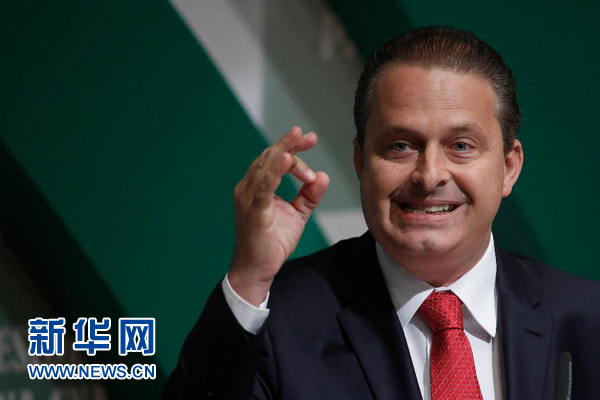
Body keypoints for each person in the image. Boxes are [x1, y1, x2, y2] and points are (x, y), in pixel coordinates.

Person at [162, 26, 600, 400]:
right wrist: (249, 279)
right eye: (400, 146)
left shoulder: (587, 319)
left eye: (461, 146)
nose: (429, 175)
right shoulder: (280, 318)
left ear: (508, 167)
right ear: (361, 162)